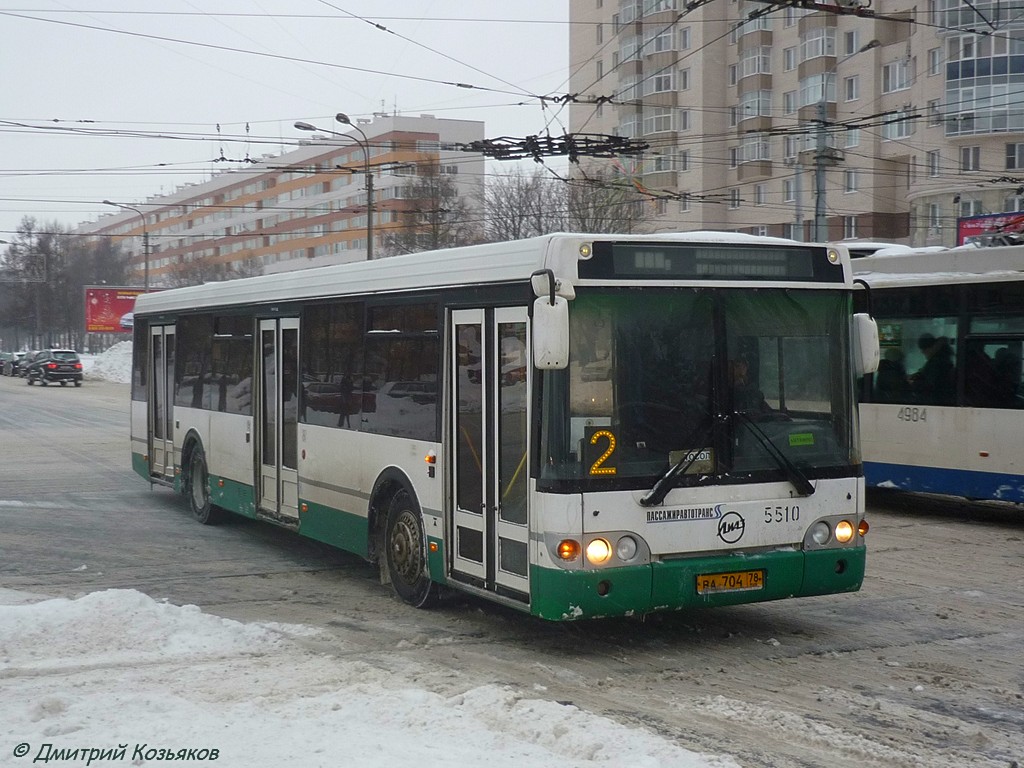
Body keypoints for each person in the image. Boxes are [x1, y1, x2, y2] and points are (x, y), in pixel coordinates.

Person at [911, 333, 955, 405]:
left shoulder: (937, 362)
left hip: (935, 401)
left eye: (924, 350)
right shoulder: (943, 359)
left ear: (931, 347)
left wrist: (914, 383)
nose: (923, 353)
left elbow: (931, 384)